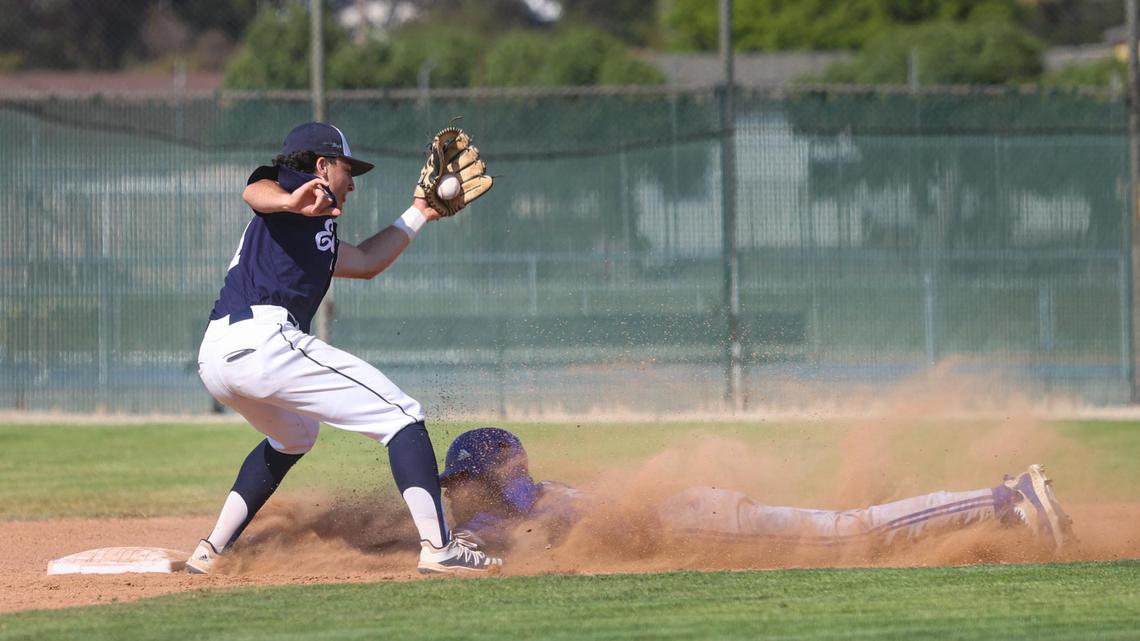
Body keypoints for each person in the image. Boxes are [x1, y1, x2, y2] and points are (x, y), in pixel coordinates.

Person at [189, 122, 500, 575]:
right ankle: (440, 547)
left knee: (297, 435)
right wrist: (290, 198)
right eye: (346, 169)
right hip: (263, 342)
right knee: (403, 415)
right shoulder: (292, 192)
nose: (352, 182)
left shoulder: (315, 228)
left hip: (218, 356)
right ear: (320, 166)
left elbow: (369, 262)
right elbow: (255, 191)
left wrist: (420, 212)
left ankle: (211, 551)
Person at [437, 427, 1075, 556]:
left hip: (696, 524)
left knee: (857, 531)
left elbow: (501, 538)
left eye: (461, 482)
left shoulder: (524, 509)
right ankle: (1005, 515)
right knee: (857, 528)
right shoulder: (534, 498)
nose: (455, 496)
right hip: (695, 515)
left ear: (489, 480)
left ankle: (1005, 498)